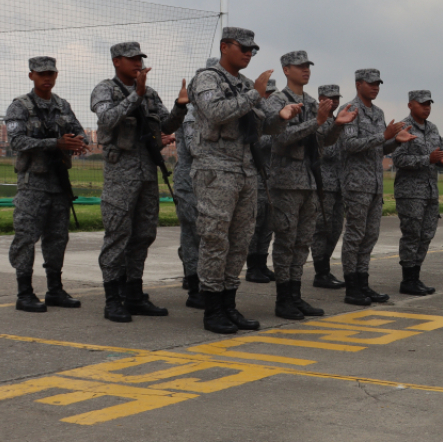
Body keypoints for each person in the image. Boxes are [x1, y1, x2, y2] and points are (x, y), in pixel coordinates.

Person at [190, 27, 298, 334]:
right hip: (215, 170)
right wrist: (255, 94)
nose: (249, 53)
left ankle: (229, 305)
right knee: (215, 239)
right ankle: (212, 309)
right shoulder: (207, 78)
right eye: (244, 48)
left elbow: (263, 127)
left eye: (253, 49)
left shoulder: (247, 85)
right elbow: (214, 112)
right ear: (225, 46)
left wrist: (282, 117)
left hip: (245, 171)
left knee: (239, 242)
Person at [90, 41, 187, 322]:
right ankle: (112, 299)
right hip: (121, 175)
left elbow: (166, 126)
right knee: (117, 235)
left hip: (147, 175)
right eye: (132, 59)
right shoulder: (104, 89)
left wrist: (181, 107)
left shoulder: (151, 93)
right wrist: (136, 95)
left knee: (144, 234)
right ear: (116, 61)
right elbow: (107, 119)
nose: (138, 63)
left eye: (140, 59)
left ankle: (134, 294)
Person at [263, 51, 355, 320]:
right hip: (286, 182)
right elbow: (280, 137)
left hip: (310, 182)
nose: (306, 70)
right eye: (300, 66)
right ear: (286, 69)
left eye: (308, 66)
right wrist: (316, 123)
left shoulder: (313, 103)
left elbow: (323, 140)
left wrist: (335, 125)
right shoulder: (276, 101)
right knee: (286, 241)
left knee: (302, 242)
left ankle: (295, 295)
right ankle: (283, 299)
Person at [6, 56, 89, 313]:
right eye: (42, 73)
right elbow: (17, 142)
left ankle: (55, 290)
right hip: (33, 184)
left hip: (58, 184)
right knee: (26, 238)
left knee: (57, 239)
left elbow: (80, 131)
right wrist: (56, 143)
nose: (47, 78)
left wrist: (78, 142)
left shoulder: (62, 106)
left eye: (51, 73)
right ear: (31, 75)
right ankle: (25, 293)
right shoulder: (19, 106)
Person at [339, 69, 412, 306]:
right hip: (357, 185)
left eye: (378, 83)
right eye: (370, 83)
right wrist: (383, 135)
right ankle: (352, 287)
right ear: (358, 84)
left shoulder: (378, 113)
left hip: (375, 186)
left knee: (370, 236)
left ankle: (363, 282)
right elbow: (350, 145)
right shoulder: (350, 110)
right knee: (355, 236)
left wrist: (393, 141)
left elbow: (380, 149)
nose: (375, 87)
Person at [392, 90, 443, 296]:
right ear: (410, 105)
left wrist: (442, 160)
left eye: (429, 103)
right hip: (410, 192)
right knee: (412, 234)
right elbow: (398, 160)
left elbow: (437, 157)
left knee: (427, 234)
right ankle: (408, 280)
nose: (427, 107)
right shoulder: (403, 127)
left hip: (430, 191)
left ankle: (416, 276)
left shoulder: (433, 129)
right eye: (422, 104)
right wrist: (426, 160)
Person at [175, 57, 219, 310]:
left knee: (206, 236)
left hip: (209, 181)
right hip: (191, 182)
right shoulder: (193, 111)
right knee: (194, 235)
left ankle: (203, 282)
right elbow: (194, 147)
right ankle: (195, 287)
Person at [310, 83, 347, 290]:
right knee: (321, 229)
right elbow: (327, 150)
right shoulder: (317, 120)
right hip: (322, 183)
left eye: (336, 98)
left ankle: (325, 268)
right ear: (320, 98)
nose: (334, 101)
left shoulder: (338, 121)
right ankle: (320, 272)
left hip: (339, 184)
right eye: (329, 97)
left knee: (335, 229)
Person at [244, 78, 278, 284]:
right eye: (267, 93)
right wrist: (278, 137)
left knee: (268, 225)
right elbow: (255, 141)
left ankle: (262, 264)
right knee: (255, 224)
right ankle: (252, 267)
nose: (270, 97)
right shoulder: (254, 115)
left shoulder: (272, 119)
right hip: (256, 178)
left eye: (272, 93)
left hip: (272, 179)